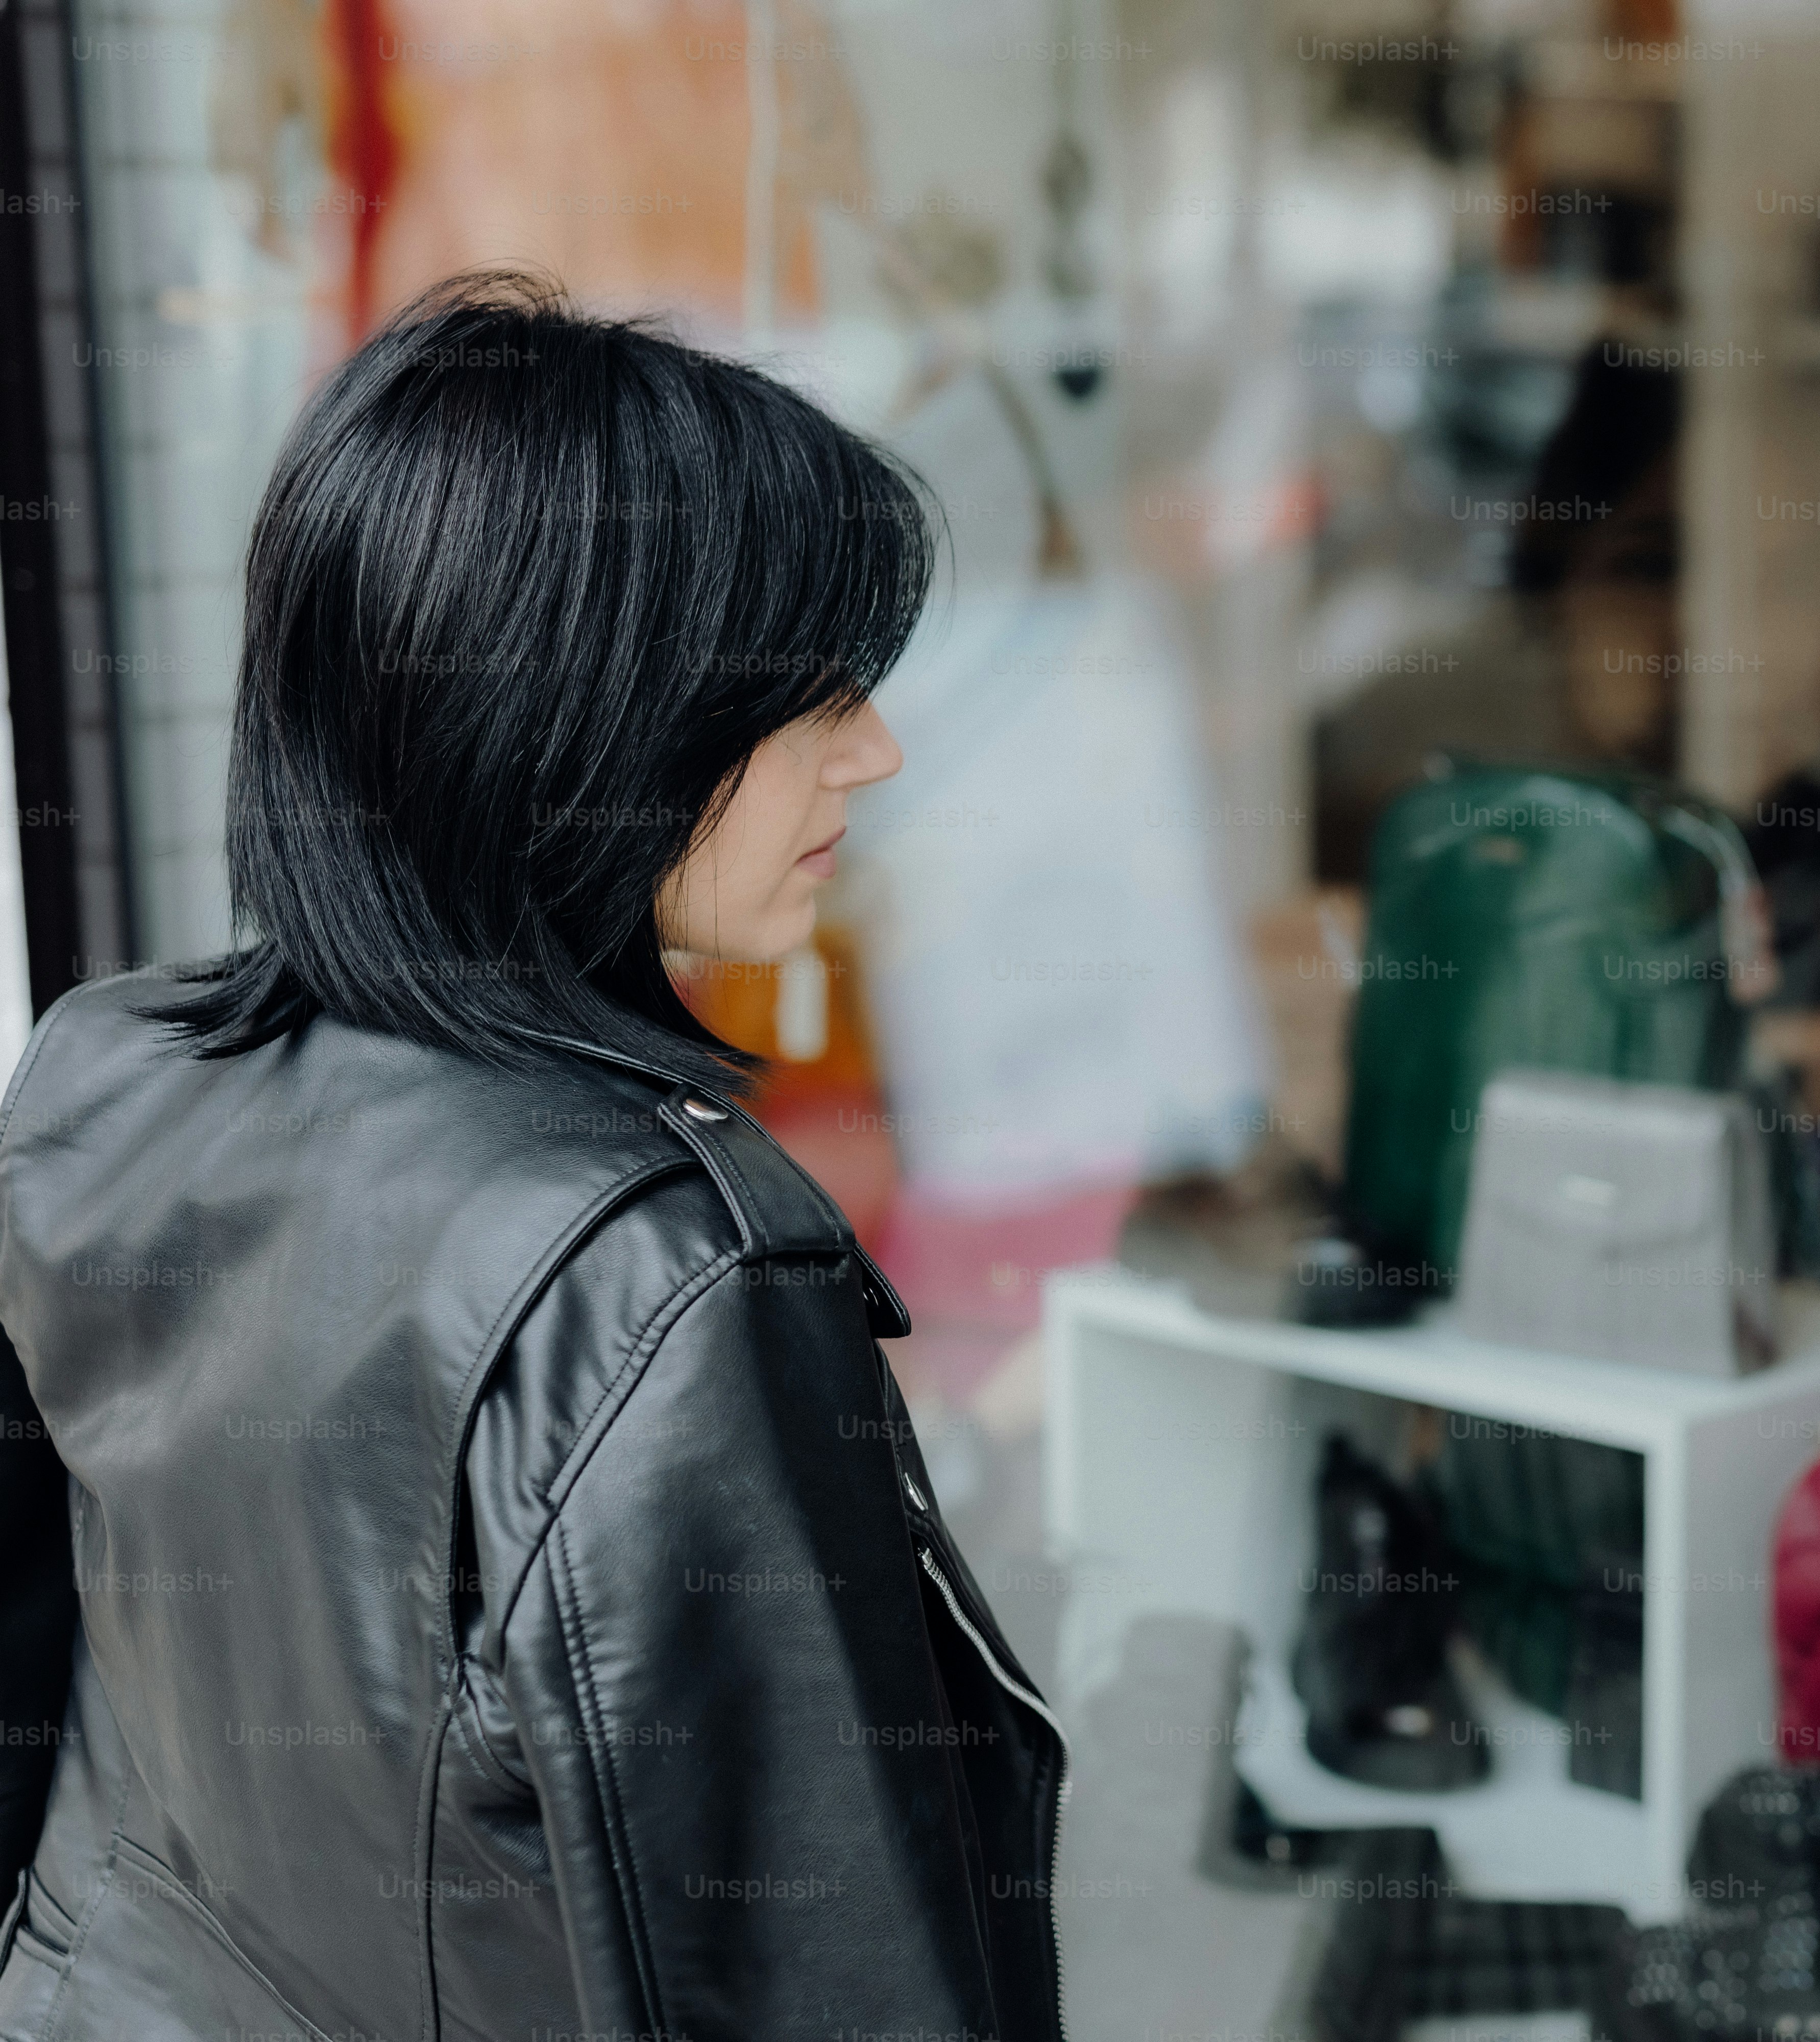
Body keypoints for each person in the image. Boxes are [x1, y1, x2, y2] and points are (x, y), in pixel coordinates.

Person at [0, 274, 1067, 2038]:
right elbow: (818, 1977)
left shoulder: (112, 1078)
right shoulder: (663, 1283)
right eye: (806, 696)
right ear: (578, 717)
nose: (875, 750)